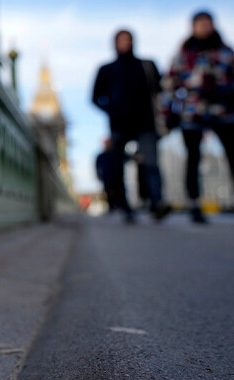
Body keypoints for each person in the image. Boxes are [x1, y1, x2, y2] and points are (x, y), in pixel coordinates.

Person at [162, 11, 234, 224]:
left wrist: (226, 93)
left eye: (207, 24)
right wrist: (169, 112)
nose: (203, 28)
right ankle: (194, 204)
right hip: (192, 113)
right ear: (193, 27)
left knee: (232, 156)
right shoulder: (184, 55)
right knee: (193, 158)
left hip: (223, 112)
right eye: (199, 24)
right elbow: (169, 85)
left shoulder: (225, 52)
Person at [93, 29, 172, 222]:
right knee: (118, 166)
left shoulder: (146, 65)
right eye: (121, 40)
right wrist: (112, 110)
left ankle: (157, 203)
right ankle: (126, 207)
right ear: (115, 43)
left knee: (151, 163)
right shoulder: (106, 69)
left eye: (128, 39)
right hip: (119, 125)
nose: (125, 43)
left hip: (145, 123)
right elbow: (95, 97)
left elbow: (161, 91)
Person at [96, 137, 129, 214]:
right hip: (106, 177)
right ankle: (111, 207)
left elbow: (125, 158)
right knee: (108, 192)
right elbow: (97, 166)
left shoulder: (115, 153)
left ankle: (120, 206)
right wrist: (98, 175)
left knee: (118, 191)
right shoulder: (101, 156)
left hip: (116, 177)